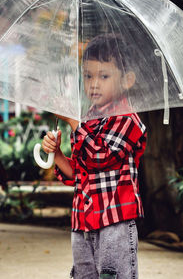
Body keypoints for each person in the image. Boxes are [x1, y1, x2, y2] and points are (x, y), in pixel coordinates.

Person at [42, 34, 147, 279]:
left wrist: (73, 123)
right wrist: (57, 154)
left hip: (115, 223)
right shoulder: (87, 120)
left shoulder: (128, 119)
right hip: (83, 222)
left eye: (104, 76)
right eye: (88, 75)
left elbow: (101, 157)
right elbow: (80, 173)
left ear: (127, 80)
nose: (93, 84)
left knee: (114, 275)